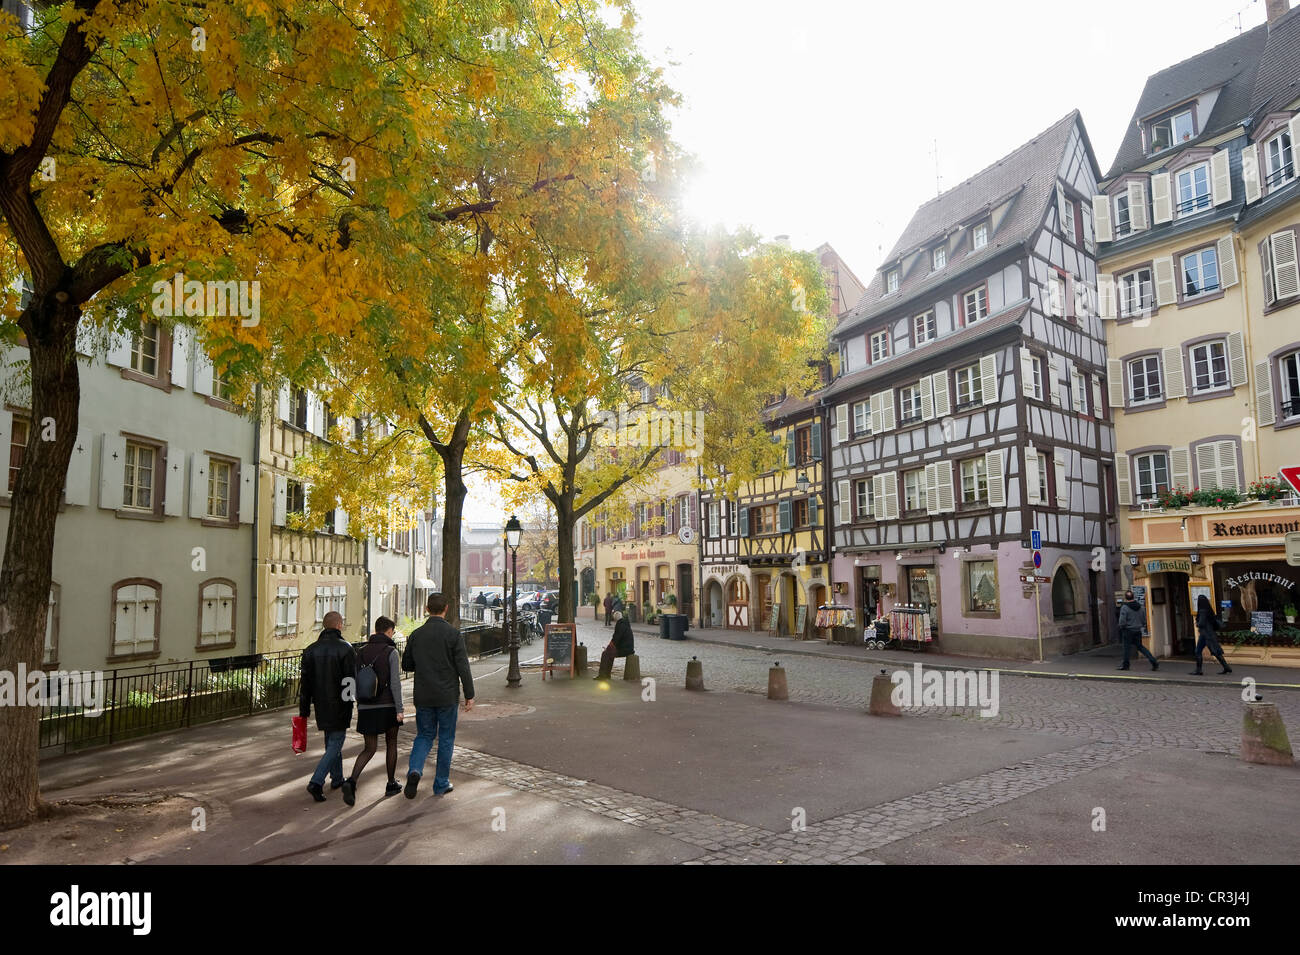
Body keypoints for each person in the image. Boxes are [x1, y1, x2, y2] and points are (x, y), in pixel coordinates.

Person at [401, 592, 475, 798]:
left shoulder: (416, 635)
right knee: (446, 738)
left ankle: (415, 770)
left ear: (427, 609)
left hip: (423, 695)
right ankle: (441, 783)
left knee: (424, 735)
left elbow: (406, 665)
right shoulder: (453, 635)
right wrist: (469, 694)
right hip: (447, 695)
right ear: (446, 609)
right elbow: (463, 667)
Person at [342, 616, 405, 804]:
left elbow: (354, 679)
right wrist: (399, 709)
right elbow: (395, 683)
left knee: (369, 748)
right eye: (392, 632)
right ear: (388, 631)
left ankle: (352, 781)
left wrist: (358, 703)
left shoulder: (360, 652)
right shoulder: (391, 652)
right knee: (391, 742)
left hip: (366, 706)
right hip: (387, 705)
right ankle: (391, 782)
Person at [299, 611, 357, 802]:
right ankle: (316, 781)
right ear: (339, 625)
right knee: (336, 743)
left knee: (330, 741)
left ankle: (337, 778)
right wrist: (350, 703)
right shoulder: (346, 649)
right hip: (340, 702)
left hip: (321, 704)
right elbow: (350, 680)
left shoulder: (310, 650)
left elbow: (305, 684)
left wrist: (304, 709)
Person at [1116, 591, 1158, 671]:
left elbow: (1122, 621)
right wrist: (1140, 625)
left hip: (1128, 630)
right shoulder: (1141, 607)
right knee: (1140, 647)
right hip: (1137, 630)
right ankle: (1154, 661)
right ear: (1133, 596)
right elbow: (1144, 620)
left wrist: (1122, 627)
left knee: (1126, 648)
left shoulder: (1124, 607)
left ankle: (1126, 665)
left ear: (1126, 598)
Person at [1193, 594, 1231, 675]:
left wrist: (1197, 624)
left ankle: (1198, 670)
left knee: (1198, 651)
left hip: (1205, 634)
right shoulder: (1209, 610)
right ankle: (1226, 667)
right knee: (1216, 651)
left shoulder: (1202, 611)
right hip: (1210, 633)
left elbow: (1202, 623)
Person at [596, 610, 635, 680]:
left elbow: (615, 639)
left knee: (605, 654)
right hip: (628, 648)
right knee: (609, 654)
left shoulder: (620, 625)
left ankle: (602, 675)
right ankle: (607, 674)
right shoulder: (625, 623)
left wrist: (608, 648)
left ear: (615, 619)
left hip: (625, 650)